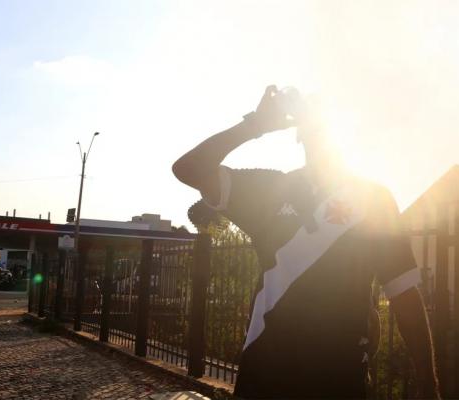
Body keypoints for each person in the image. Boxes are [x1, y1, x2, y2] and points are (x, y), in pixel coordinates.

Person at [173, 86, 440, 399]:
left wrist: (428, 386)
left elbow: (404, 294)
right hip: (265, 373)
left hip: (340, 378)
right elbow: (188, 169)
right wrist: (254, 125)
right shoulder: (269, 189)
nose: (320, 132)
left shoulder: (374, 200)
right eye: (312, 123)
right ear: (298, 132)